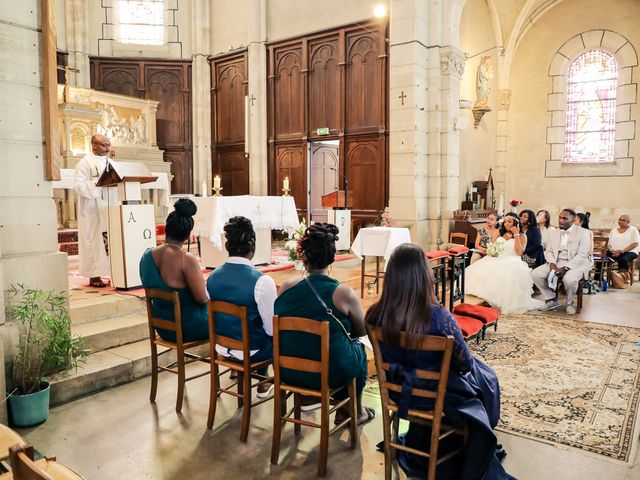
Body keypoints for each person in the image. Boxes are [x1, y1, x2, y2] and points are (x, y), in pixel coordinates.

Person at [366, 244, 514, 480]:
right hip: (436, 397)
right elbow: (464, 365)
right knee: (486, 376)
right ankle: (473, 445)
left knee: (480, 372)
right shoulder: (440, 317)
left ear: (391, 276)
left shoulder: (375, 314)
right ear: (425, 276)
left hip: (398, 392)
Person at [274, 223, 374, 424]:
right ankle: (356, 410)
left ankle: (323, 401)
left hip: (288, 371)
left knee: (334, 349)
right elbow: (362, 330)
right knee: (357, 351)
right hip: (327, 373)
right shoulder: (342, 292)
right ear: (332, 258)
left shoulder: (285, 287)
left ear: (303, 257)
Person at [206, 216, 277, 397]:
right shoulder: (262, 281)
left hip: (221, 348)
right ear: (252, 247)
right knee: (279, 335)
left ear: (228, 247)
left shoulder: (212, 277)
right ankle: (266, 382)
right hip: (252, 351)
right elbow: (271, 329)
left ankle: (244, 373)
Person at [139, 198, 209, 342]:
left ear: (166, 229)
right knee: (229, 316)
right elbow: (202, 299)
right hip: (188, 326)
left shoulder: (146, 256)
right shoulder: (186, 259)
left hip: (162, 326)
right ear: (188, 235)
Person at [465, 213, 543, 314]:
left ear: (516, 223)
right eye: (505, 221)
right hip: (497, 257)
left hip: (512, 259)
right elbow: (491, 249)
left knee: (505, 272)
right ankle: (484, 300)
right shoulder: (499, 232)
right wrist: (501, 241)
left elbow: (519, 252)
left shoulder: (523, 236)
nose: (506, 224)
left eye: (509, 221)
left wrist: (516, 235)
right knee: (481, 270)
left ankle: (497, 301)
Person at [74, 134, 117, 288]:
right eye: (104, 145)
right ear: (94, 145)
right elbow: (79, 187)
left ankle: (115, 273)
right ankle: (94, 275)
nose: (108, 148)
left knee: (111, 241)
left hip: (109, 207)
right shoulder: (84, 163)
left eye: (108, 145)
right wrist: (98, 184)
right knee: (94, 241)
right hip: (92, 210)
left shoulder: (111, 163)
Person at [531, 208, 591, 315]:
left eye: (565, 219)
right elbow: (549, 251)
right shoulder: (553, 232)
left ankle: (570, 302)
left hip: (576, 264)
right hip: (555, 262)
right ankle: (551, 299)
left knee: (569, 279)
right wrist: (552, 264)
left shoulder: (583, 233)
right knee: (535, 274)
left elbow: (583, 254)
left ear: (573, 221)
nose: (561, 221)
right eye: (560, 218)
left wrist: (566, 268)